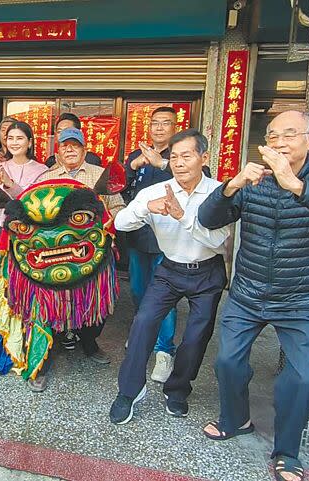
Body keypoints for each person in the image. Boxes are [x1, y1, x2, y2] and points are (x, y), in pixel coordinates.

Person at [197, 111, 309, 481]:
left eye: (290, 134)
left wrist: (297, 186)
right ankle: (236, 419)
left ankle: (287, 451)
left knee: (303, 378)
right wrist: (231, 185)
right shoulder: (253, 179)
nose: (279, 142)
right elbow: (209, 219)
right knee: (227, 361)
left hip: (299, 298)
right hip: (248, 292)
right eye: (273, 135)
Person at [109, 128, 231, 425]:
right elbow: (120, 223)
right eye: (174, 157)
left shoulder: (218, 193)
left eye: (186, 156)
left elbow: (219, 242)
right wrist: (144, 210)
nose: (178, 163)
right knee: (143, 323)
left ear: (203, 158)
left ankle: (177, 390)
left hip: (207, 272)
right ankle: (129, 391)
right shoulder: (154, 192)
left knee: (196, 337)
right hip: (170, 269)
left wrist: (182, 217)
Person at [33, 127, 125, 391]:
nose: (70, 149)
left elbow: (119, 208)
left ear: (85, 150)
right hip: (55, 256)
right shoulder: (46, 178)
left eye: (75, 145)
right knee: (52, 304)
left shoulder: (100, 175)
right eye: (65, 145)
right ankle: (47, 353)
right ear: (58, 151)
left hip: (94, 253)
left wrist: (107, 219)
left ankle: (89, 342)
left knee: (95, 302)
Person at [123, 106, 179, 382]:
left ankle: (164, 352)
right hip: (138, 236)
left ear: (175, 127)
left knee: (163, 297)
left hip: (168, 241)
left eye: (165, 123)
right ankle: (142, 336)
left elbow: (197, 179)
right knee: (137, 290)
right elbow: (118, 188)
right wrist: (132, 168)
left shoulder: (180, 155)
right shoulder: (137, 154)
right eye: (154, 123)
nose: (158, 128)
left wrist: (162, 164)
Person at [0, 121, 48, 297]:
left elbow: (31, 202)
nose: (14, 142)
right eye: (10, 138)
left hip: (27, 232)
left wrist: (9, 184)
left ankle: (20, 323)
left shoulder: (42, 171)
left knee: (22, 283)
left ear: (30, 142)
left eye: (19, 138)